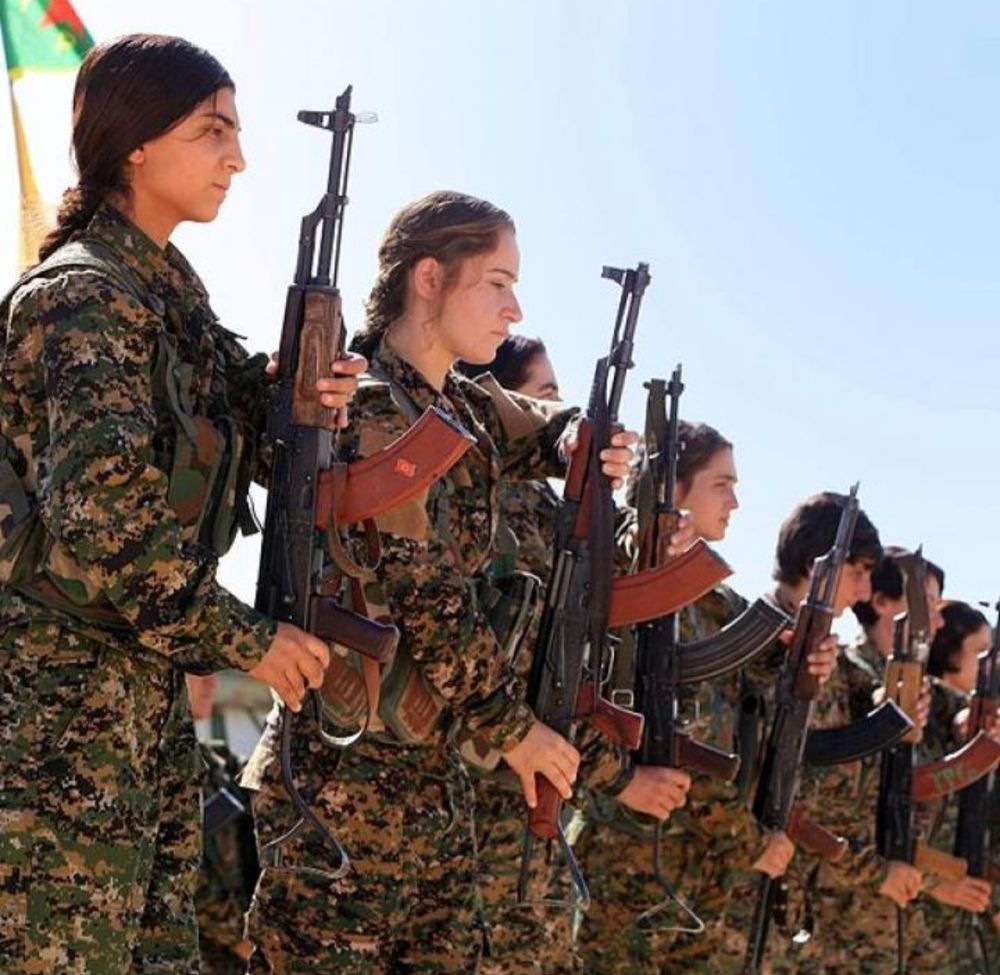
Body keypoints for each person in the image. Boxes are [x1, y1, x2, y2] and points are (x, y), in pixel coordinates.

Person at [0, 34, 363, 974]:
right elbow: (102, 510)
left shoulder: (171, 302)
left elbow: (230, 405)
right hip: (53, 708)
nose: (236, 158)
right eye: (212, 132)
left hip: (139, 701)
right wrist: (247, 640)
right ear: (136, 146)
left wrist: (302, 389)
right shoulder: (82, 294)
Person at [242, 191, 672, 974]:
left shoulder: (463, 405)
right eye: (497, 282)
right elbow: (429, 599)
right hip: (348, 775)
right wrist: (513, 727)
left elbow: (543, 427)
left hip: (434, 780)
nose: (514, 308)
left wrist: (581, 435)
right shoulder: (371, 405)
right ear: (431, 278)